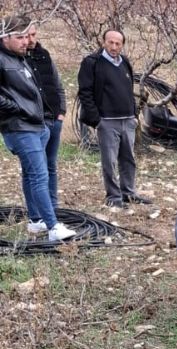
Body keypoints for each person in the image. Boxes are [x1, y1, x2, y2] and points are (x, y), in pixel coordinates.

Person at [0, 15, 75, 241]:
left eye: (27, 36)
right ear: (5, 37)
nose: (25, 41)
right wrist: (18, 109)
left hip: (36, 125)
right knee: (40, 175)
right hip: (19, 128)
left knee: (31, 174)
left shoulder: (18, 57)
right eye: (20, 37)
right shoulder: (3, 60)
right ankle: (53, 228)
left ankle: (35, 221)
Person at [78, 29, 150, 208]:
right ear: (103, 42)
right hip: (107, 121)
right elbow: (85, 92)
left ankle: (129, 193)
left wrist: (134, 116)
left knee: (128, 159)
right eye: (110, 42)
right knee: (109, 161)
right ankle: (113, 197)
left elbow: (128, 89)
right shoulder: (92, 63)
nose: (114, 46)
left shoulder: (124, 62)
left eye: (118, 43)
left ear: (122, 45)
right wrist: (97, 120)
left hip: (128, 120)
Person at [24, 23, 65, 234]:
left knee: (50, 167)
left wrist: (61, 113)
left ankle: (52, 208)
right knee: (34, 171)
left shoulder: (44, 54)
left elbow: (58, 86)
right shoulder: (17, 59)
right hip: (34, 124)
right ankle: (37, 217)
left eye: (33, 34)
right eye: (26, 35)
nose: (30, 39)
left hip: (53, 120)